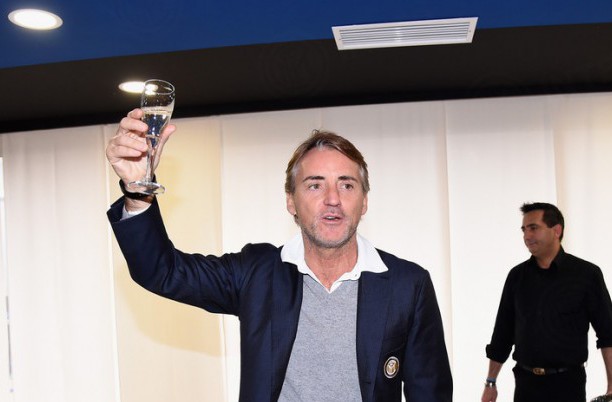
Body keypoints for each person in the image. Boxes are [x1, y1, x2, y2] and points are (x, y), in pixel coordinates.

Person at [105, 108, 453, 402]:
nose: (332, 198)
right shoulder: (256, 273)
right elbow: (162, 271)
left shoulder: (408, 285)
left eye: (347, 185)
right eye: (315, 185)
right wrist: (137, 189)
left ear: (364, 201)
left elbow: (431, 393)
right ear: (291, 202)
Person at [481, 202, 612, 402]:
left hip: (568, 385)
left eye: (533, 228)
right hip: (526, 385)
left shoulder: (587, 274)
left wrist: (611, 386)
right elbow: (502, 334)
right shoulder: (517, 277)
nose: (527, 236)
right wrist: (491, 382)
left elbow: (608, 333)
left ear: (556, 230)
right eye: (524, 230)